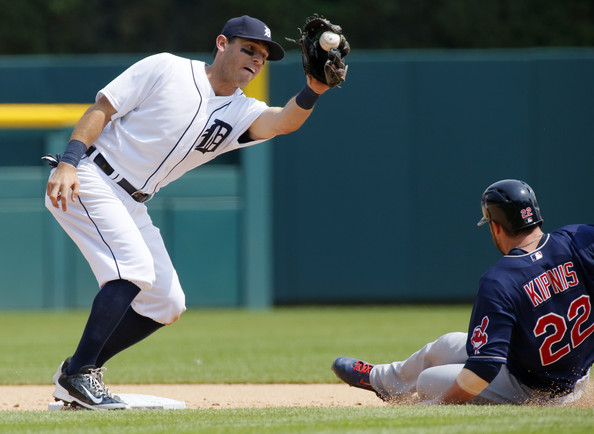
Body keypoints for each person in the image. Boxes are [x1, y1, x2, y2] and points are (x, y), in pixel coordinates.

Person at [45, 15, 338, 410]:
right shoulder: (166, 68)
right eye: (249, 49)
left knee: (166, 303)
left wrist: (313, 89)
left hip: (133, 201)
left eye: (263, 56)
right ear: (222, 43)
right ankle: (78, 375)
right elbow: (103, 108)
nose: (256, 59)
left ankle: (78, 370)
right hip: (92, 177)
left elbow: (284, 122)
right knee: (132, 269)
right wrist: (69, 162)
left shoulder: (241, 111)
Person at [332, 179, 594, 405]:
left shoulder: (501, 279)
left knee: (428, 381)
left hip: (535, 390)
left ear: (496, 226)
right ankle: (381, 379)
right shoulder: (577, 241)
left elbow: (484, 369)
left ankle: (415, 392)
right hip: (564, 372)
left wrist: (438, 404)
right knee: (446, 344)